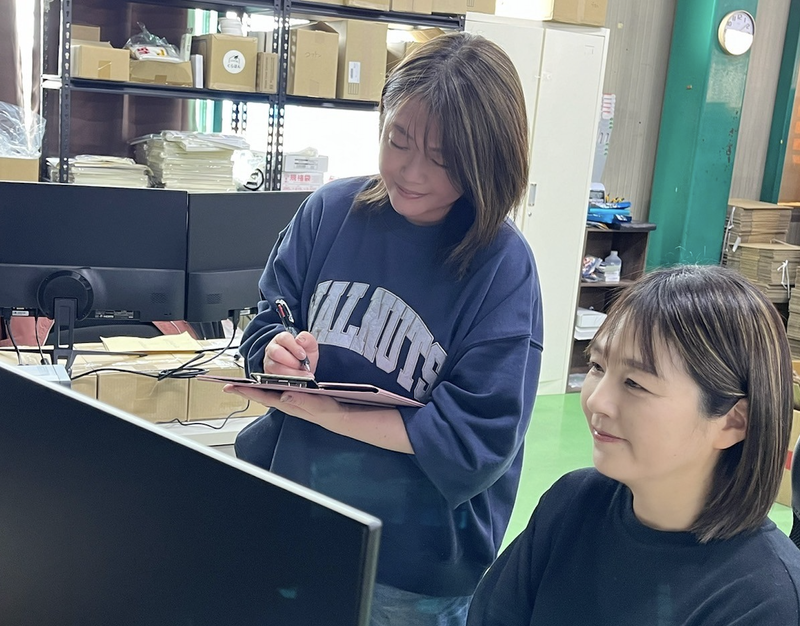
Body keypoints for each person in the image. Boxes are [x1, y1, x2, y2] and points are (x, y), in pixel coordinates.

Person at [229, 31, 543, 626]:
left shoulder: (501, 266)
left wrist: (326, 412)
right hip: (299, 520)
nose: (410, 171)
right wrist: (275, 352)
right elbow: (267, 321)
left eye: (444, 159)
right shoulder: (329, 213)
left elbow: (476, 440)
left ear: (488, 160)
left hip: (415, 566)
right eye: (398, 140)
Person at [466, 264, 800, 626]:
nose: (597, 400)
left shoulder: (766, 601)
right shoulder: (572, 503)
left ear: (734, 421)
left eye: (635, 383)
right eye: (597, 366)